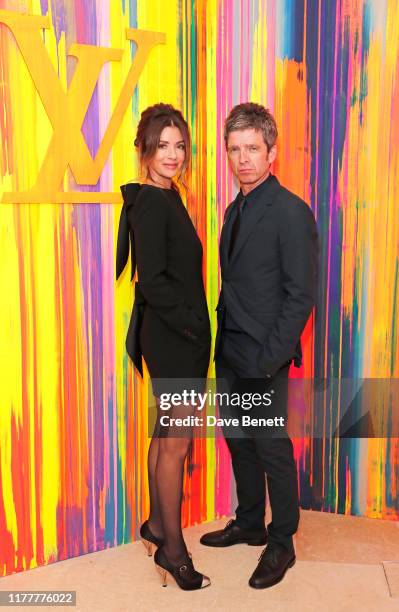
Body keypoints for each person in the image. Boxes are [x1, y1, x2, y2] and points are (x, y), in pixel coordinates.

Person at [200, 103, 318, 589]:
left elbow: (300, 295)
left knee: (270, 447)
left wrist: (270, 357)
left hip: (263, 354)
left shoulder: (290, 211)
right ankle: (249, 523)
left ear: (271, 151)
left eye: (252, 148)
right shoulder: (235, 207)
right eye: (235, 149)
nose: (243, 158)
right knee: (240, 442)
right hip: (230, 349)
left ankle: (281, 541)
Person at [116, 103, 211, 590]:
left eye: (179, 145)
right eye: (162, 145)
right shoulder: (153, 202)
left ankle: (155, 525)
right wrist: (195, 329)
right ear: (143, 150)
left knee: (165, 434)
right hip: (176, 338)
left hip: (171, 334)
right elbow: (152, 280)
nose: (172, 154)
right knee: (176, 443)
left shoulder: (166, 195)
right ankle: (173, 550)